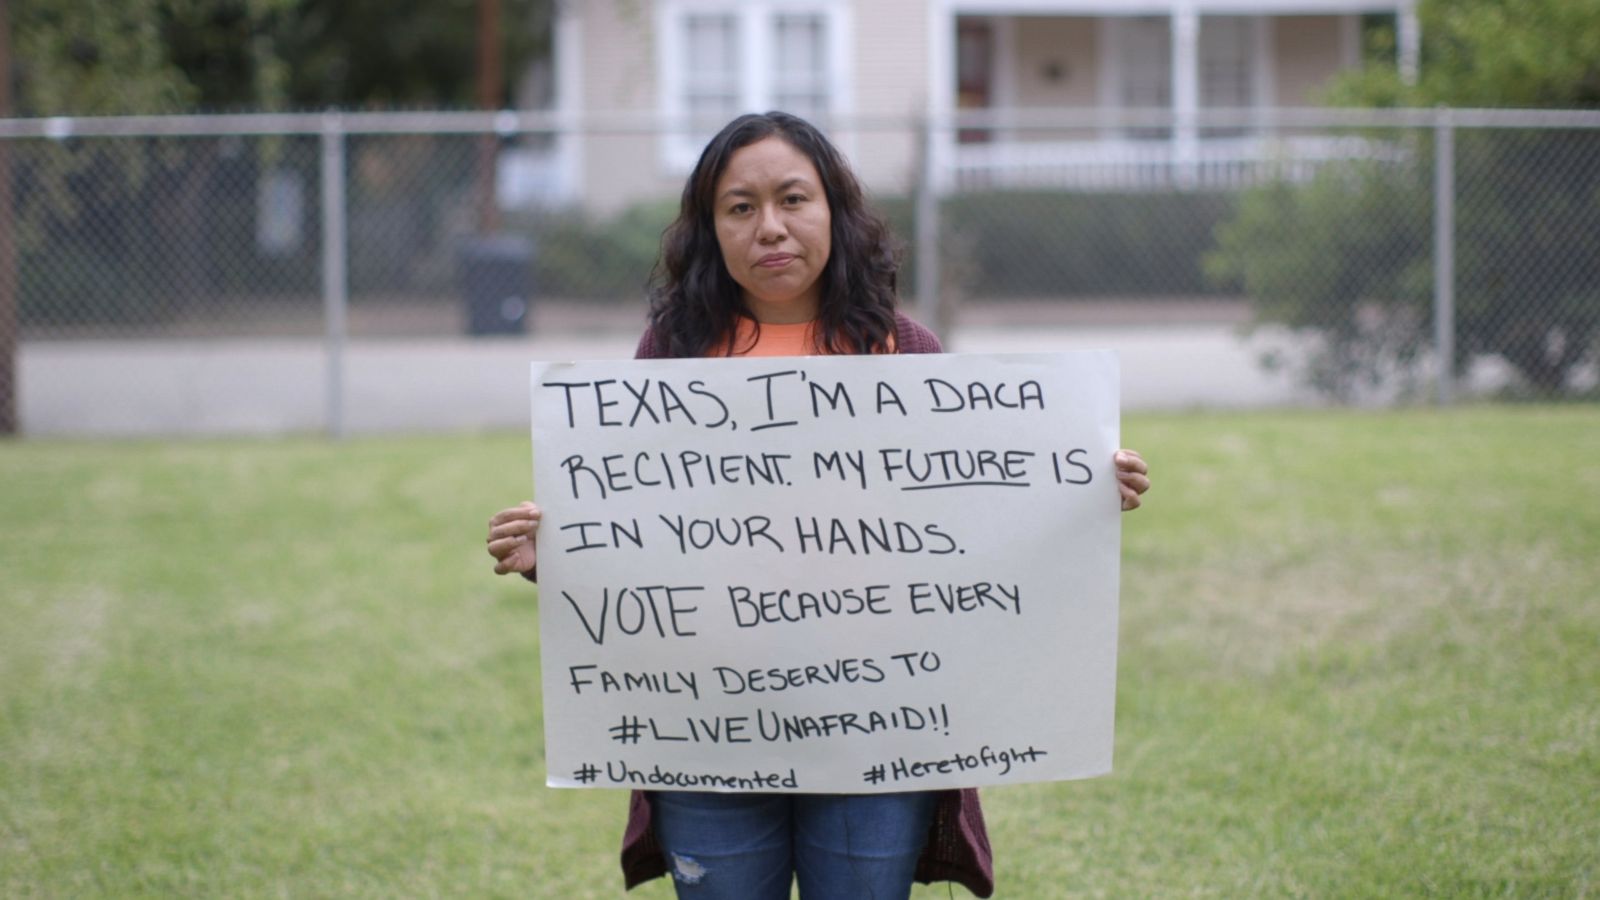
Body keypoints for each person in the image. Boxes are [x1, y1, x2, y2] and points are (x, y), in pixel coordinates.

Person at [486, 111, 1151, 899]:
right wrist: (557, 557)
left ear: (834, 210)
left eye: (793, 199)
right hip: (709, 730)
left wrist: (1072, 492)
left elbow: (970, 532)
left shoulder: (905, 352)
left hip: (875, 731)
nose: (770, 227)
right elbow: (644, 544)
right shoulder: (670, 355)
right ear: (711, 229)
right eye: (740, 207)